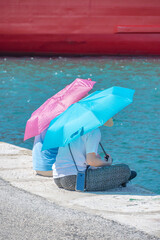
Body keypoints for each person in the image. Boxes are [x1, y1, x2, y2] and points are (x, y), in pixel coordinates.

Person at [53, 118, 137, 191]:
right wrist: (107, 163)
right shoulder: (93, 131)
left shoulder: (71, 128)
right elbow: (91, 161)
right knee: (125, 169)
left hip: (57, 178)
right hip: (75, 179)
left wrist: (99, 162)